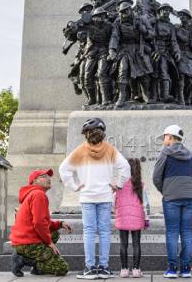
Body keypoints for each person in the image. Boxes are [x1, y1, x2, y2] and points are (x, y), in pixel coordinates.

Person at [59, 118, 130, 279]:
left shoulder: (79, 151)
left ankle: (90, 268)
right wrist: (118, 185)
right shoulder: (111, 150)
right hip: (105, 196)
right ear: (102, 134)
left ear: (86, 135)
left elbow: (63, 169)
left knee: (89, 232)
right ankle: (104, 268)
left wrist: (75, 186)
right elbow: (125, 168)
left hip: (87, 197)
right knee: (105, 231)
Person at [153, 124, 192, 278]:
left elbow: (156, 176)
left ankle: (172, 269)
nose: (164, 140)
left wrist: (165, 190)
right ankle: (186, 269)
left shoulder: (165, 153)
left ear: (171, 137)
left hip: (171, 198)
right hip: (189, 198)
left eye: (165, 137)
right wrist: (188, 188)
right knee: (187, 232)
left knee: (172, 233)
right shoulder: (191, 155)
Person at [9, 168, 71, 277]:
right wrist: (49, 243)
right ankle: (24, 260)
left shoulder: (35, 194)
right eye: (44, 176)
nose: (48, 178)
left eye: (48, 176)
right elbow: (38, 223)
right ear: (35, 181)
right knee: (62, 268)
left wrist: (60, 224)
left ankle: (34, 264)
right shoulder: (38, 194)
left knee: (55, 233)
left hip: (24, 241)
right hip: (27, 242)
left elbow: (44, 221)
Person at [115, 158, 150, 278]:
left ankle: (124, 269)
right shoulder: (141, 185)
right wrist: (146, 219)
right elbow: (145, 204)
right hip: (137, 218)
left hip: (122, 217)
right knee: (136, 244)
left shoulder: (119, 185)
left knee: (123, 244)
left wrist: (116, 211)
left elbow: (113, 201)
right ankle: (136, 269)